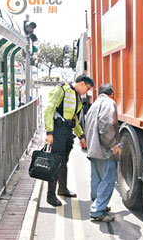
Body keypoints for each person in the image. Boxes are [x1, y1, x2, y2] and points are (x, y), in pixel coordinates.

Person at [44, 74, 94, 206]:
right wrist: (49, 132)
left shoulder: (77, 97)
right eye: (87, 88)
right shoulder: (62, 89)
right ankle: (50, 196)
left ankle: (62, 189)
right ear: (82, 83)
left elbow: (75, 120)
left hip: (67, 132)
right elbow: (49, 109)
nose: (86, 92)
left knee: (64, 161)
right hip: (58, 130)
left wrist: (81, 136)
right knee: (56, 162)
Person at [85, 83, 120, 222]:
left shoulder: (94, 104)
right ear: (111, 93)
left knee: (97, 179)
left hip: (93, 149)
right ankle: (97, 211)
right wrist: (112, 145)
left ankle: (97, 203)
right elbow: (107, 125)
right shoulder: (109, 102)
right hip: (104, 151)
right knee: (107, 180)